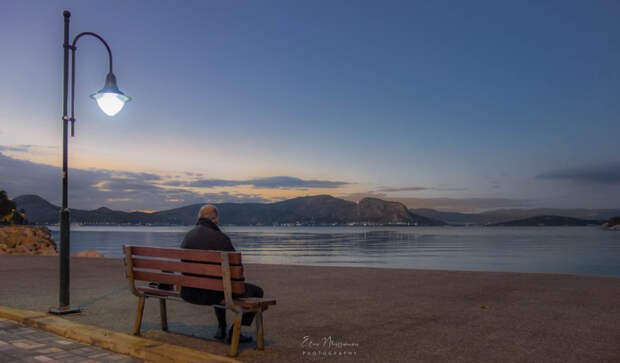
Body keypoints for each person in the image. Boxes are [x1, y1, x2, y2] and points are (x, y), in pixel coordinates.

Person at [179, 205, 264, 343]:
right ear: (216, 220)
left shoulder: (188, 236)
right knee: (257, 292)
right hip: (211, 294)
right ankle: (234, 332)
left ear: (199, 218)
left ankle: (221, 327)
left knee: (217, 284)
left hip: (189, 292)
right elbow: (237, 271)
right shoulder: (221, 238)